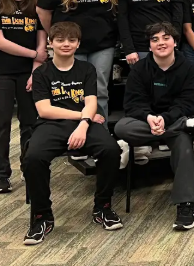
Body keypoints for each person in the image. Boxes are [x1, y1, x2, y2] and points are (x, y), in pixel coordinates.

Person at [22, 21, 123, 245]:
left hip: (84, 124)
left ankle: (103, 207)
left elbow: (92, 102)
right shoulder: (41, 72)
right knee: (33, 158)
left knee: (111, 150)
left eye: (71, 40)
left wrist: (84, 124)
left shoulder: (87, 69)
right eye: (60, 40)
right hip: (51, 125)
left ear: (78, 44)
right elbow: (44, 110)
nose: (65, 44)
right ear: (50, 43)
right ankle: (42, 217)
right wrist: (82, 117)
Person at [114, 21, 194, 231]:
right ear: (149, 46)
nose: (161, 43)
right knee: (121, 128)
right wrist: (149, 117)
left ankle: (185, 205)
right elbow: (132, 104)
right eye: (155, 39)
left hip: (173, 119)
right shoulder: (140, 69)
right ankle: (191, 124)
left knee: (184, 147)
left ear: (175, 42)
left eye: (166, 38)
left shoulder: (188, 68)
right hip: (147, 123)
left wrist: (165, 119)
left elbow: (187, 102)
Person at [37, 0, 118, 118]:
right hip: (70, 45)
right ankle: (73, 132)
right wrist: (57, 34)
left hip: (102, 45)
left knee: (100, 90)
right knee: (73, 92)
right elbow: (43, 11)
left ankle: (99, 136)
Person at [0, 0, 45, 194]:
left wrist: (35, 70)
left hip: (28, 73)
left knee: (30, 124)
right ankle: (1, 175)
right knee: (0, 124)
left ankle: (29, 169)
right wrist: (34, 54)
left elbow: (42, 39)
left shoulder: (37, 7)